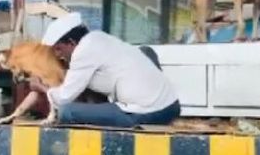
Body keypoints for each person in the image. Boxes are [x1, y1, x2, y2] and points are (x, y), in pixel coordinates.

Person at [39, 12, 181, 127]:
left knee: (67, 111)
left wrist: (41, 87)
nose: (58, 55)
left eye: (58, 49)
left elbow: (64, 97)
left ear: (71, 42)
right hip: (172, 104)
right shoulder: (98, 37)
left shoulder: (83, 52)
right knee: (144, 51)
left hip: (148, 112)